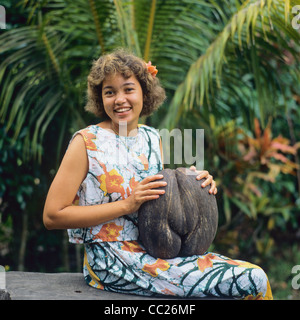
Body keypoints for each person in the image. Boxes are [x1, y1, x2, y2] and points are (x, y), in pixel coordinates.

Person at [43, 49, 273, 300]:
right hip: (111, 262)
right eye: (110, 92)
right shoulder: (86, 142)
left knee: (247, 274)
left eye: (128, 89)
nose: (119, 99)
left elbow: (162, 202)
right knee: (253, 279)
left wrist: (196, 186)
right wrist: (127, 205)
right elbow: (53, 216)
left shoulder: (151, 138)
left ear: (145, 92)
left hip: (155, 251)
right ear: (101, 99)